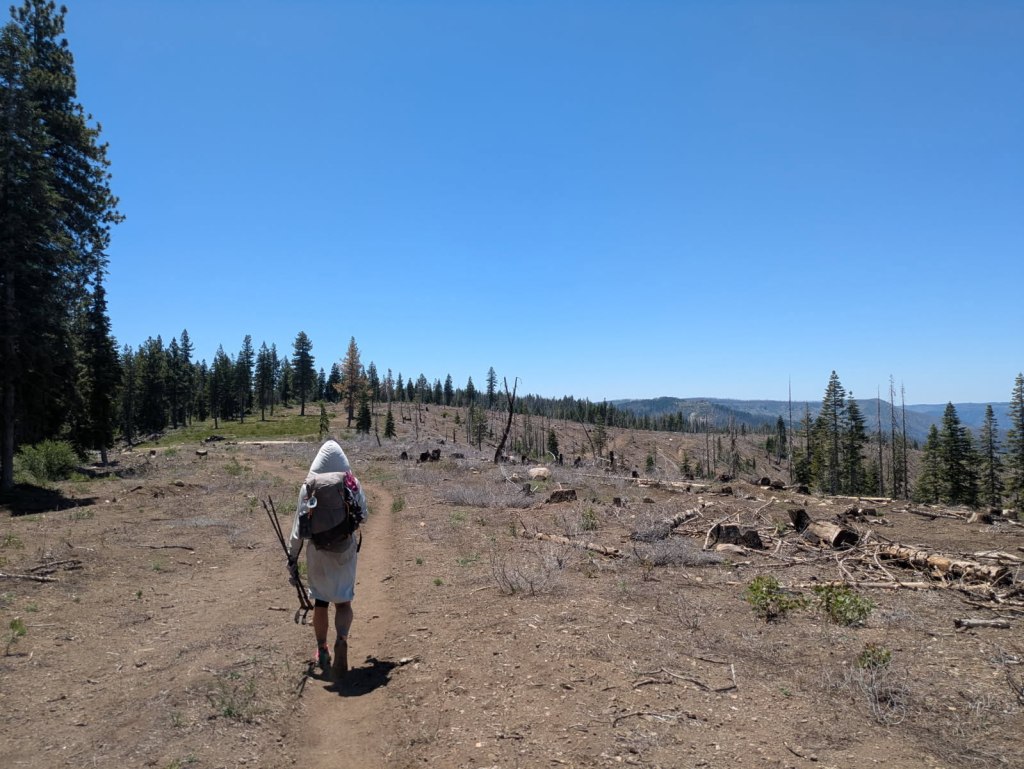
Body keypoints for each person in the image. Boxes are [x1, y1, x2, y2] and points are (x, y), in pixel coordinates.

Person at [286, 439, 368, 679]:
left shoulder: (308, 487)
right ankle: (341, 638)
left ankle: (322, 648)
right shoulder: (351, 483)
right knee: (343, 603)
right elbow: (363, 516)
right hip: (344, 550)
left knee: (320, 602)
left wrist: (293, 558)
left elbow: (297, 530)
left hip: (317, 552)